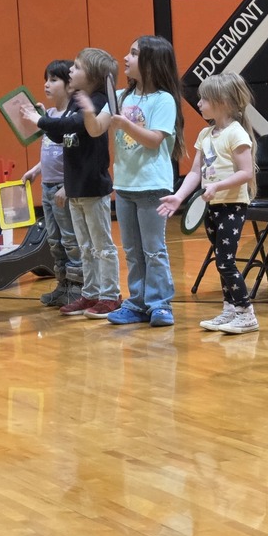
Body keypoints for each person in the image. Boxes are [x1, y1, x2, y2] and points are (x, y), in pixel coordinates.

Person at [80, 35, 185, 327]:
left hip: (152, 185)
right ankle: (137, 303)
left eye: (134, 53)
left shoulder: (163, 99)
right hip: (125, 186)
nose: (125, 58)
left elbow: (153, 141)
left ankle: (160, 304)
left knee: (154, 250)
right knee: (133, 251)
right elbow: (96, 129)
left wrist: (124, 123)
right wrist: (88, 111)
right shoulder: (122, 96)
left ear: (151, 63)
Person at [159, 72, 259, 334]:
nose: (199, 103)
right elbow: (195, 172)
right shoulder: (205, 134)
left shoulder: (236, 134)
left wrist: (216, 186)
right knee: (219, 259)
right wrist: (179, 196)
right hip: (211, 206)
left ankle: (246, 312)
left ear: (223, 101)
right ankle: (230, 309)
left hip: (232, 205)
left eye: (204, 99)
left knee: (226, 261)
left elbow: (246, 172)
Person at [33, 48, 122, 318]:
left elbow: (75, 124)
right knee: (84, 245)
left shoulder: (97, 100)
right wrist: (45, 122)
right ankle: (90, 293)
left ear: (92, 75)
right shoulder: (76, 100)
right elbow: (63, 135)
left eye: (76, 67)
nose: (71, 71)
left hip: (93, 185)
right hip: (75, 185)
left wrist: (39, 120)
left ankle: (110, 295)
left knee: (101, 245)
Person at [20, 59, 83, 307]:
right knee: (55, 241)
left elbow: (74, 157)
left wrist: (68, 186)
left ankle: (78, 288)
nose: (47, 84)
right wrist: (36, 170)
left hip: (62, 189)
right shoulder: (50, 116)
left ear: (70, 85)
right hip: (47, 187)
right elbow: (49, 152)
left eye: (54, 80)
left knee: (70, 240)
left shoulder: (69, 119)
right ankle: (62, 285)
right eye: (46, 79)